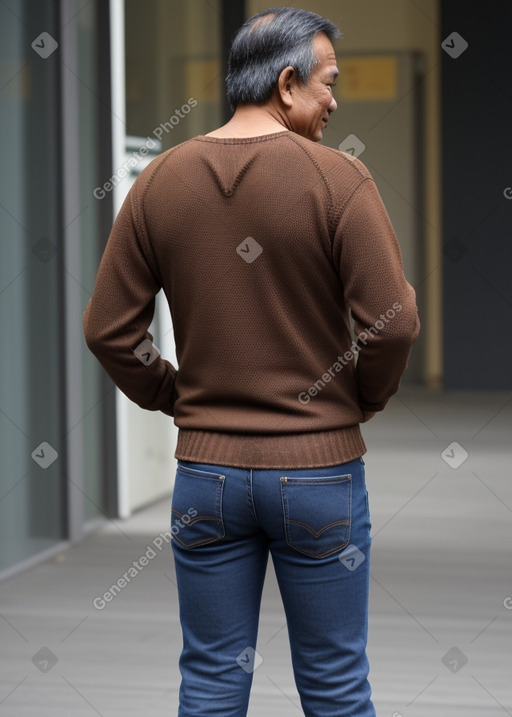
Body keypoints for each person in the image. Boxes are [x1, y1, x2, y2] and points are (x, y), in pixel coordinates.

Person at [83, 6, 420, 716]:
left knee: (209, 681)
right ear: (288, 81)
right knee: (334, 683)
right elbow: (393, 326)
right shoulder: (339, 181)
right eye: (328, 84)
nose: (334, 101)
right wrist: (360, 398)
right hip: (319, 475)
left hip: (206, 480)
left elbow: (109, 331)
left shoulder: (161, 182)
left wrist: (179, 398)